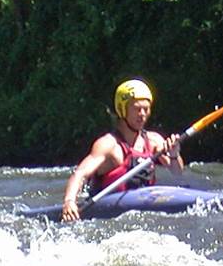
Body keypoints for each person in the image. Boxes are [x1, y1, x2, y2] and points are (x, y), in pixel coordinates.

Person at [61, 79, 184, 222]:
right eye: (137, 109)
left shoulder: (154, 141)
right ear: (122, 109)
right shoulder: (109, 145)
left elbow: (177, 171)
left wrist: (174, 155)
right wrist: (69, 201)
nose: (143, 114)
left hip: (142, 215)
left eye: (146, 109)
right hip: (107, 216)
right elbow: (80, 174)